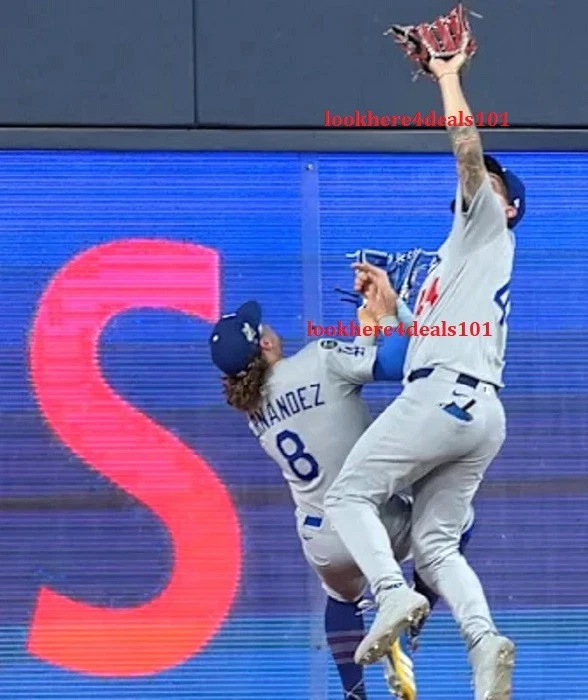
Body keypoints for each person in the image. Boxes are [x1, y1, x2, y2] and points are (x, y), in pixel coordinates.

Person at [323, 37, 525, 700]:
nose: (478, 183)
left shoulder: (488, 224)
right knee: (437, 548)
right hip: (479, 411)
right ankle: (485, 640)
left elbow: (467, 150)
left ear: (508, 205)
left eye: (495, 184)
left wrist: (447, 79)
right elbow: (431, 337)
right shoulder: (456, 258)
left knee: (348, 496)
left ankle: (389, 594)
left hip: (444, 400)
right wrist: (392, 306)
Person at [207, 267, 474, 700]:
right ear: (266, 342)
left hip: (322, 540)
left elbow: (329, 391)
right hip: (375, 521)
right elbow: (393, 364)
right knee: (458, 521)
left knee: (341, 599)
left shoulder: (254, 409)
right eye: (264, 327)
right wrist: (387, 317)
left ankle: (353, 693)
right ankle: (415, 610)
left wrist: (363, 334)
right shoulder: (317, 358)